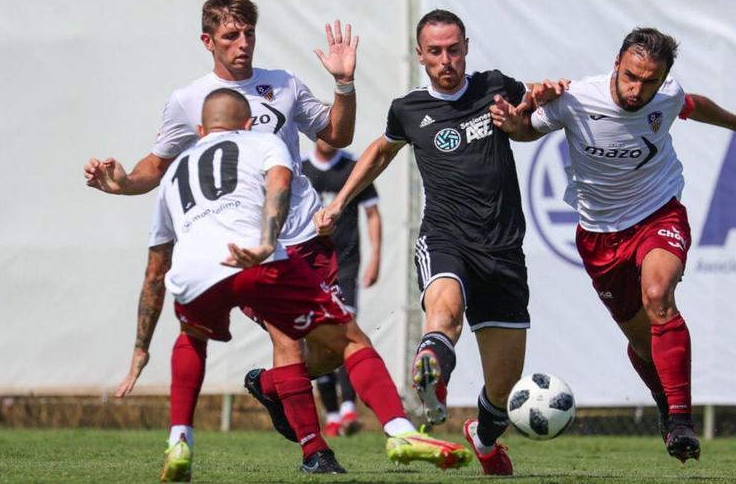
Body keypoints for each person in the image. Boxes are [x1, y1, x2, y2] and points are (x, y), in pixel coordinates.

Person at [115, 89, 472, 480]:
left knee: (192, 337)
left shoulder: (175, 171)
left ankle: (180, 440)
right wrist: (268, 241)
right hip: (258, 259)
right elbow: (280, 186)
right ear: (249, 123)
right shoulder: (264, 141)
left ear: (200, 130)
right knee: (350, 340)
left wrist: (139, 349)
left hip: (194, 273)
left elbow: (155, 270)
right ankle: (398, 431)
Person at [491, 27, 736, 463]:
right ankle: (666, 404)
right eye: (630, 76)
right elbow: (526, 130)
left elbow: (694, 105)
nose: (637, 89)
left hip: (658, 214)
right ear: (616, 63)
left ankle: (681, 420)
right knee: (644, 346)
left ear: (663, 78)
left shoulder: (666, 95)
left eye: (650, 81)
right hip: (599, 237)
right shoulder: (576, 99)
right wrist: (516, 123)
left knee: (659, 295)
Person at [82, 0, 352, 449]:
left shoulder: (283, 83)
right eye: (231, 35)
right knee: (288, 336)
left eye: (249, 33)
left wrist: (344, 85)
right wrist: (124, 181)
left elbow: (338, 133)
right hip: (245, 245)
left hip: (306, 234)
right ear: (207, 41)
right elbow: (158, 164)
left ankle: (271, 385)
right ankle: (315, 450)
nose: (243, 43)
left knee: (330, 350)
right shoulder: (190, 100)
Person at [313, 9, 564, 476]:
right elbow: (379, 152)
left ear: (466, 47)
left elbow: (529, 127)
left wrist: (526, 114)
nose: (446, 60)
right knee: (443, 315)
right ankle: (431, 369)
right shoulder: (408, 109)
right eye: (435, 52)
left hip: (504, 249)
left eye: (453, 50)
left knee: (504, 386)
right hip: (446, 238)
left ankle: (483, 436)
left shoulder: (495, 86)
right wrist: (340, 202)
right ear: (420, 55)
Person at [303, 138, 382, 437]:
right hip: (311, 265)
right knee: (315, 337)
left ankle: (349, 408)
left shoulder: (352, 167)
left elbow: (372, 214)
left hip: (345, 265)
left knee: (345, 330)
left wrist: (375, 258)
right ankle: (332, 414)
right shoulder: (302, 168)